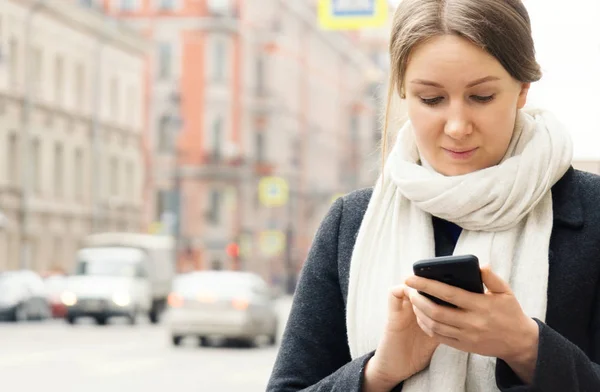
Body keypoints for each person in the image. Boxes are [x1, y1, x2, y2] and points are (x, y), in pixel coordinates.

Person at [266, 0, 600, 391]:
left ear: (522, 88)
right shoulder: (351, 223)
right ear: (402, 94)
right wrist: (380, 372)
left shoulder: (592, 213)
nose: (457, 126)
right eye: (431, 99)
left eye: (481, 97)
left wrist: (528, 349)